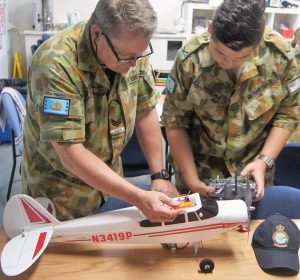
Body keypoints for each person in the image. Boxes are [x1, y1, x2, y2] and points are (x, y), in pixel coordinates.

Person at [22, 0, 182, 221]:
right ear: (97, 34)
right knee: (65, 255)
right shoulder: (55, 64)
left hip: (110, 186)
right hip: (61, 194)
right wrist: (137, 196)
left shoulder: (131, 51)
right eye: (126, 55)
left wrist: (159, 175)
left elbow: (145, 111)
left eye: (141, 54)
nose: (134, 63)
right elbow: (70, 153)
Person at [162, 0, 300, 200]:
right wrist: (191, 180)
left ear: (259, 41)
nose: (227, 63)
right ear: (210, 28)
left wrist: (264, 161)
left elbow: (288, 114)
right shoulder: (190, 60)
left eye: (240, 57)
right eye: (219, 52)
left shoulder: (281, 58)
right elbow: (174, 121)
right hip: (199, 173)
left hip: (253, 174)